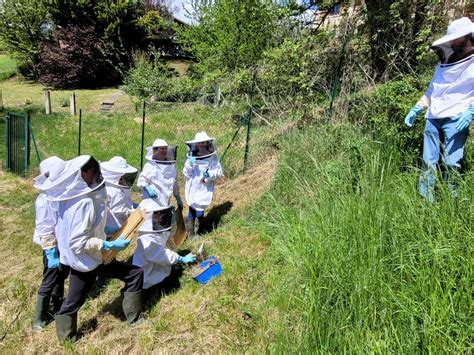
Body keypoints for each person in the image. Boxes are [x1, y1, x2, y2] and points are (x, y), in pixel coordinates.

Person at [40, 155, 144, 343]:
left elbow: (87, 228)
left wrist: (106, 232)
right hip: (86, 260)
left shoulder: (72, 198)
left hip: (93, 257)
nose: (99, 175)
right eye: (95, 172)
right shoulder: (83, 202)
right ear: (83, 173)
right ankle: (66, 340)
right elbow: (77, 241)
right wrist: (107, 244)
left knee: (134, 274)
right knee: (73, 302)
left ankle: (134, 319)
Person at [404, 17, 474, 202]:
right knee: (428, 162)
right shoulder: (443, 63)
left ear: (466, 38)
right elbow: (432, 90)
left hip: (457, 117)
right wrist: (417, 108)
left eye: (456, 39)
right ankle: (425, 201)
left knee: (451, 164)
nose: (452, 42)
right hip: (433, 116)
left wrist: (471, 112)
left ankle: (452, 203)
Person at [32, 156, 71, 331]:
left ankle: (56, 306)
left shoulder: (61, 193)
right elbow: (44, 228)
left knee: (61, 275)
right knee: (49, 278)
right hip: (52, 246)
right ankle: (38, 319)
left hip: (62, 243)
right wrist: (50, 251)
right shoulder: (44, 200)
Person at [132, 199, 196, 291]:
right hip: (146, 273)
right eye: (156, 213)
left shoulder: (156, 228)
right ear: (149, 216)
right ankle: (151, 292)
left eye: (161, 213)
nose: (160, 216)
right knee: (166, 286)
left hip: (156, 264)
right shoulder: (146, 238)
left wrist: (172, 218)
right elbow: (162, 254)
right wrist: (180, 258)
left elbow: (167, 235)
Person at [183, 132, 224, 237]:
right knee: (192, 208)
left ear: (207, 143)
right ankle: (191, 233)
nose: (201, 144)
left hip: (204, 187)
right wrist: (190, 165)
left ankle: (200, 230)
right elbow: (186, 173)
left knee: (200, 210)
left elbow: (219, 172)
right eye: (199, 143)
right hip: (192, 186)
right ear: (196, 144)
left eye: (203, 142)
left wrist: (209, 174)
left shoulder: (212, 158)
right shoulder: (191, 156)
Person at [137, 139, 183, 209]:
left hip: (165, 202)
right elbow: (141, 180)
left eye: (165, 148)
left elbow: (174, 182)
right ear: (155, 150)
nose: (164, 150)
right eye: (162, 148)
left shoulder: (171, 166)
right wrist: (147, 188)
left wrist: (178, 197)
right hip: (151, 203)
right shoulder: (150, 165)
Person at [100, 156, 138, 236]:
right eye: (125, 177)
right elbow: (119, 211)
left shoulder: (114, 187)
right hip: (111, 230)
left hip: (108, 229)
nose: (127, 180)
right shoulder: (114, 191)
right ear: (117, 177)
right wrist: (133, 212)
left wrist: (133, 205)